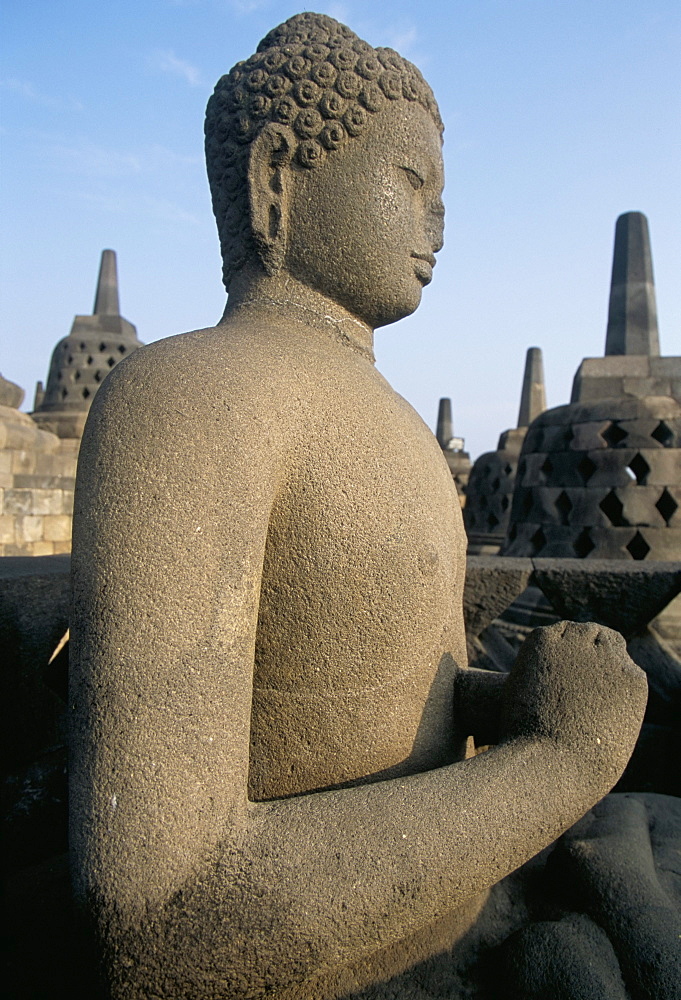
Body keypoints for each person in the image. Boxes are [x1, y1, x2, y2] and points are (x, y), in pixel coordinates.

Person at [69, 14, 646, 999]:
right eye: (412, 181)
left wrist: (514, 705)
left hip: (463, 915)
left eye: (444, 192)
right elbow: (154, 911)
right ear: (277, 178)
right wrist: (556, 764)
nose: (439, 219)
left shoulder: (400, 429)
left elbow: (389, 697)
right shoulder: (191, 400)